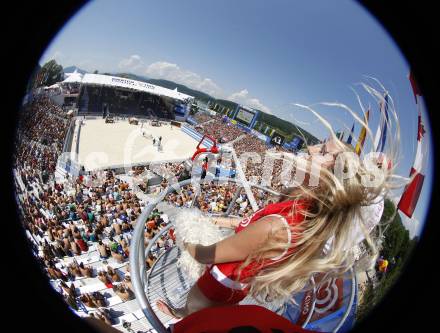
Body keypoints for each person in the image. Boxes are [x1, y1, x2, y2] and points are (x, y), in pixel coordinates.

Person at [156, 101, 398, 320]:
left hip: (213, 292)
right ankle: (183, 313)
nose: (312, 148)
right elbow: (249, 226)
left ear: (327, 181)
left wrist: (183, 230)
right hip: (231, 289)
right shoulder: (299, 212)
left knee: (194, 315)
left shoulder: (278, 226)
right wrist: (221, 221)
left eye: (323, 152)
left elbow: (205, 255)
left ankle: (183, 316)